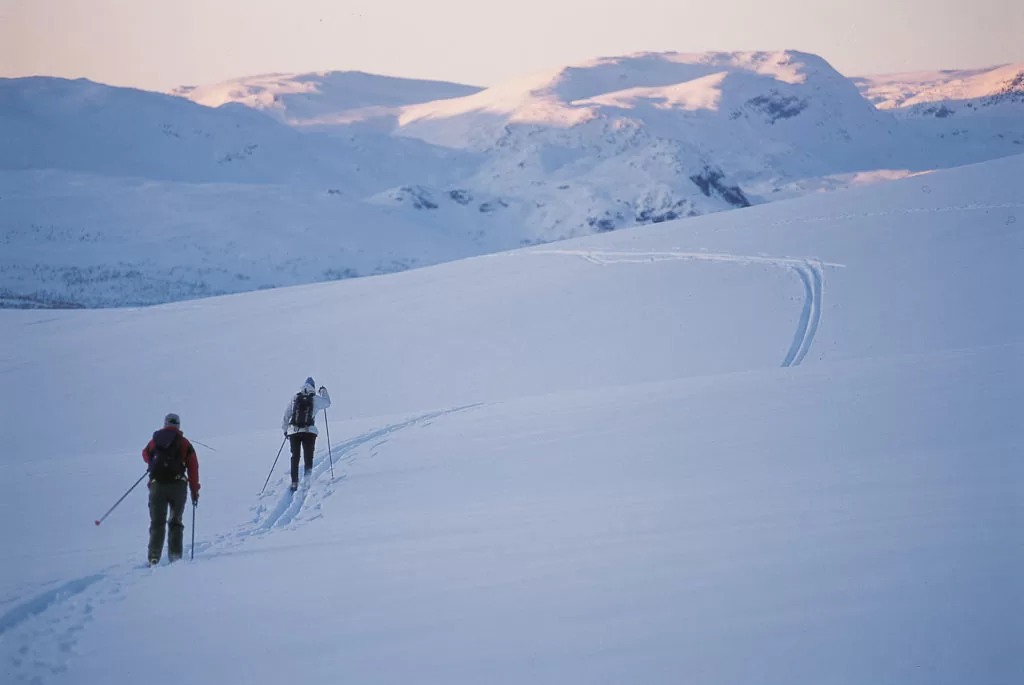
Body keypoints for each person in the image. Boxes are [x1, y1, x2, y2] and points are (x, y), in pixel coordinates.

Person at [142, 413, 200, 566]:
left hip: (157, 486)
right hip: (177, 487)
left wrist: (157, 463)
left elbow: (145, 454)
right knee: (175, 521)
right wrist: (195, 490)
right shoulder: (184, 443)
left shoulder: (155, 441)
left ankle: (154, 557)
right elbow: (193, 467)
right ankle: (175, 557)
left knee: (157, 523)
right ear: (178, 425)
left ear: (165, 423)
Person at [282, 377, 331, 491]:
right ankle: (307, 481)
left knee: (295, 456)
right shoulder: (315, 399)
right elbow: (327, 403)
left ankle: (294, 482)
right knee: (308, 456)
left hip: (294, 432)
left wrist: (285, 430)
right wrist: (323, 391)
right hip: (309, 432)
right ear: (313, 387)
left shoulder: (295, 398)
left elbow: (286, 415)